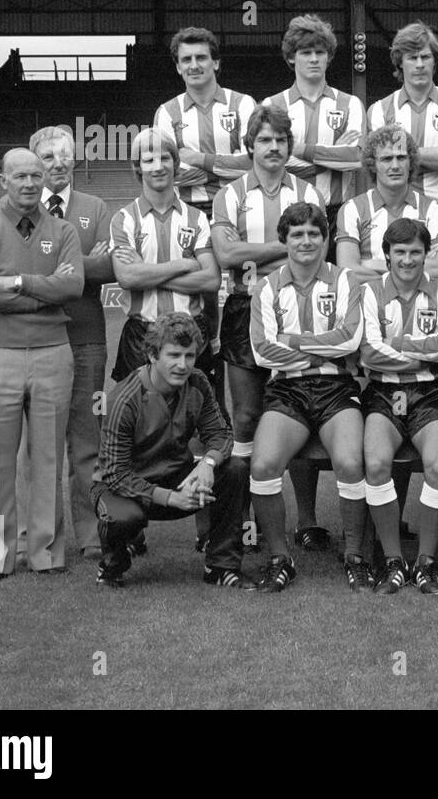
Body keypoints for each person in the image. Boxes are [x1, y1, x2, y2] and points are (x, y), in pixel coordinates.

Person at [0, 148, 83, 580]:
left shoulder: (64, 230)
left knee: (48, 458)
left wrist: (16, 283)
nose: (30, 183)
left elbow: (72, 286)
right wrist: (43, 294)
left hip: (53, 353)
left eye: (36, 175)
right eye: (21, 176)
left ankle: (46, 553)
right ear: (3, 181)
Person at [211, 104, 325, 547]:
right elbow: (226, 256)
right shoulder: (231, 194)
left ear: (289, 146)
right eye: (264, 139)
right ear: (250, 146)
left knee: (298, 411)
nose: (272, 147)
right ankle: (243, 519)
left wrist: (252, 249)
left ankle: (309, 520)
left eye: (280, 139)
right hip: (244, 307)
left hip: (299, 307)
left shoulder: (308, 193)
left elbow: (316, 253)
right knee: (245, 415)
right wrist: (286, 247)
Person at [248, 203, 366, 592]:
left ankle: (354, 556)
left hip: (336, 386)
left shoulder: (345, 280)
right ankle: (281, 558)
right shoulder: (265, 286)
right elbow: (263, 351)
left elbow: (350, 339)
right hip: (287, 389)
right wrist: (323, 347)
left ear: (326, 238)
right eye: (297, 233)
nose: (306, 241)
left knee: (350, 462)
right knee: (263, 465)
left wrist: (292, 341)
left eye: (314, 233)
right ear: (284, 240)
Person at [91, 313, 253, 589]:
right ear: (153, 355)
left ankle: (221, 566)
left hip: (175, 476)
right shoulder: (123, 399)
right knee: (123, 517)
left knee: (235, 469)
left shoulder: (198, 382)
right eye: (174, 355)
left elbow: (221, 434)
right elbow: (115, 474)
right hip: (122, 487)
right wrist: (170, 498)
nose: (183, 365)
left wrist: (208, 464)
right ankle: (112, 566)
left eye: (189, 356)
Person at [359, 218, 438, 594]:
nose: (407, 260)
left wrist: (398, 345)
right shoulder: (370, 292)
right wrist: (422, 353)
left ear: (427, 254)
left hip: (430, 394)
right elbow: (368, 353)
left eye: (415, 252)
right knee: (376, 463)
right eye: (399, 252)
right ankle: (392, 561)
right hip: (383, 394)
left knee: (437, 465)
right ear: (386, 255)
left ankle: (426, 563)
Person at [27, 125, 114, 561]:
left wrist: (48, 269)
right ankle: (44, 535)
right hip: (37, 342)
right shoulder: (19, 209)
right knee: (43, 443)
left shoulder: (95, 207)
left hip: (87, 340)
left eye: (64, 155)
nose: (58, 163)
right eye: (48, 157)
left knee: (88, 440)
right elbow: (11, 267)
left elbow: (105, 268)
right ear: (33, 164)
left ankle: (91, 532)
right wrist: (75, 266)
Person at [109, 129, 222, 383]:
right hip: (142, 333)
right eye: (148, 160)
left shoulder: (197, 218)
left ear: (175, 163)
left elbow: (211, 281)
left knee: (197, 415)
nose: (157, 167)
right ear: (137, 168)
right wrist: (182, 265)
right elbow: (127, 277)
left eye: (165, 158)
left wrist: (146, 273)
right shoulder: (123, 219)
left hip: (190, 332)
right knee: (140, 417)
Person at [262, 13, 367, 243]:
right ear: (291, 58)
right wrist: (331, 157)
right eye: (305, 53)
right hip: (285, 210)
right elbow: (268, 163)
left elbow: (355, 159)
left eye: (320, 53)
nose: (313, 59)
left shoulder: (350, 104)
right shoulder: (272, 105)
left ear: (328, 57)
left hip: (335, 211)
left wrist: (296, 149)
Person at [366, 21, 438, 212]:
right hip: (396, 210)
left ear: (435, 61)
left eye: (425, 57)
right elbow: (382, 165)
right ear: (400, 62)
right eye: (412, 58)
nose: (419, 64)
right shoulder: (379, 110)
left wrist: (403, 156)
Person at [153, 26, 257, 210]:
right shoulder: (167, 112)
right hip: (187, 211)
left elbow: (251, 164)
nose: (194, 66)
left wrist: (197, 158)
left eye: (201, 57)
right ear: (178, 67)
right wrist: (224, 169)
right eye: (186, 59)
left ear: (215, 63)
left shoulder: (243, 104)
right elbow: (166, 173)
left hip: (239, 207)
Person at [336, 124, 438, 284]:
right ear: (372, 165)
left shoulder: (434, 210)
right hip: (367, 303)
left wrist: (370, 263)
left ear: (411, 163)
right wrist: (413, 267)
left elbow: (437, 270)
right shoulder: (352, 209)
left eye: (401, 157)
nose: (395, 166)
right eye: (386, 159)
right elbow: (348, 271)